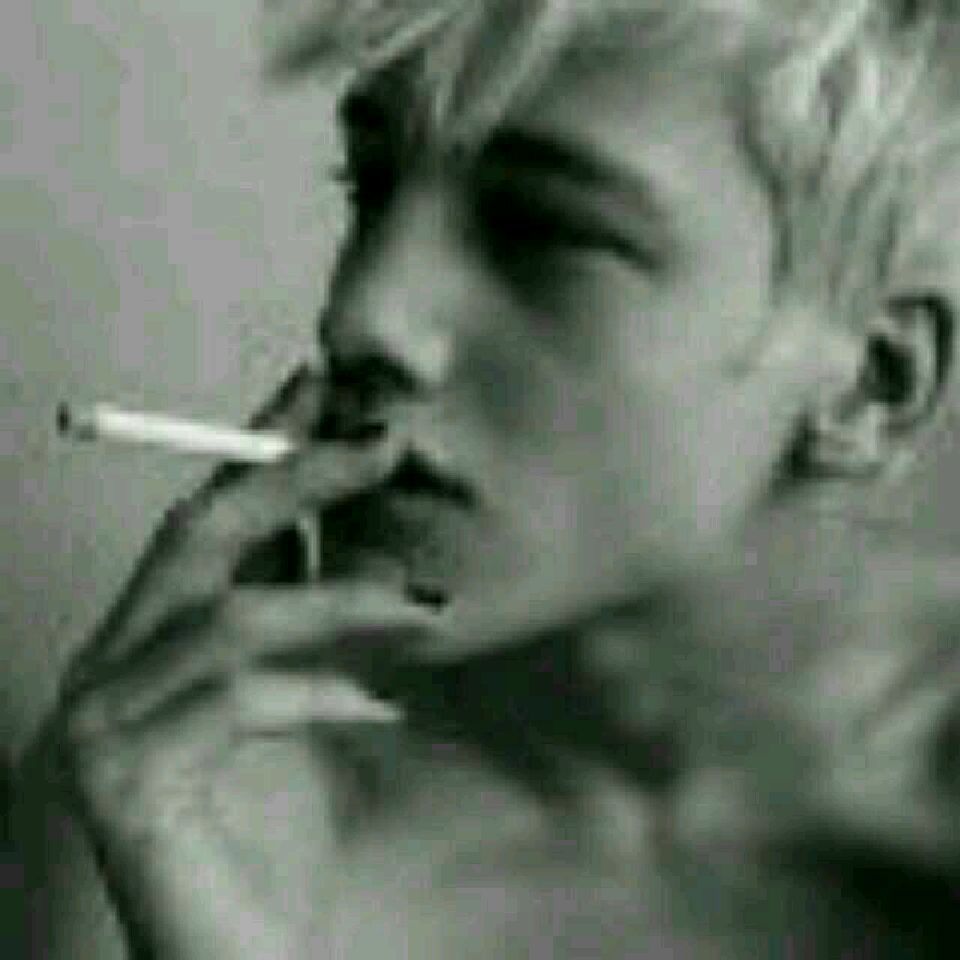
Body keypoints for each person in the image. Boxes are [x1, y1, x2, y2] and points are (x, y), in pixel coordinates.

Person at [10, 0, 960, 955]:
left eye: (543, 229)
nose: (361, 315)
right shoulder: (186, 804)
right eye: (369, 185)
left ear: (871, 388)